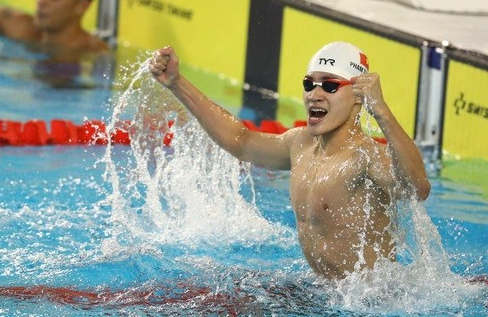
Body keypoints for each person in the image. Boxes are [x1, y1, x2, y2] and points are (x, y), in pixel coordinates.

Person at [149, 42, 431, 281]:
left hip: (369, 302)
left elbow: (417, 187)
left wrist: (381, 110)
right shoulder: (300, 144)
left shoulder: (366, 157)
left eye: (330, 86)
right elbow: (241, 141)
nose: (314, 95)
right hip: (323, 294)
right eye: (309, 84)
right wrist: (177, 83)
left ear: (358, 97)